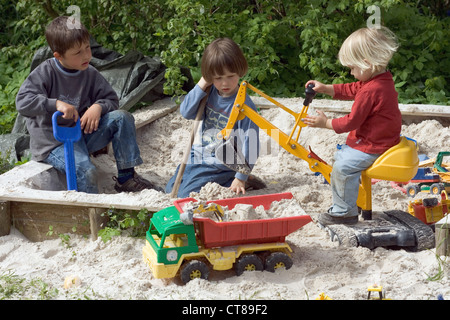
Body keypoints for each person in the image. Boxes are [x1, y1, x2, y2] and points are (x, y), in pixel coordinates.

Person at [16, 16, 160, 193]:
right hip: (53, 143)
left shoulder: (89, 72)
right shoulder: (45, 72)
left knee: (121, 117)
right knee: (86, 171)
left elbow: (111, 99)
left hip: (80, 134)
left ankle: (126, 178)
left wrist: (97, 107)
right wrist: (56, 104)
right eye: (77, 53)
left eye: (87, 48)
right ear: (58, 56)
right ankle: (92, 209)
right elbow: (23, 101)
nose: (86, 55)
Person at [303, 26, 400, 225]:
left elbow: (352, 121)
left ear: (366, 64)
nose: (351, 72)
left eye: (352, 68)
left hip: (375, 144)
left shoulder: (371, 90)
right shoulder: (379, 79)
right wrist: (326, 88)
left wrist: (325, 123)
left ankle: (344, 212)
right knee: (341, 156)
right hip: (378, 138)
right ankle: (350, 200)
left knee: (343, 167)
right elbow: (351, 88)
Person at [166, 38, 261, 198]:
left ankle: (236, 180)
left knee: (184, 195)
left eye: (231, 76)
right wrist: (202, 84)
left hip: (222, 162)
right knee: (169, 189)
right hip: (199, 154)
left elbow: (251, 144)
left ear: (240, 71)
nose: (225, 83)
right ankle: (235, 179)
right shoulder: (208, 93)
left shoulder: (244, 105)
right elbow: (186, 111)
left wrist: (241, 176)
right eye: (217, 78)